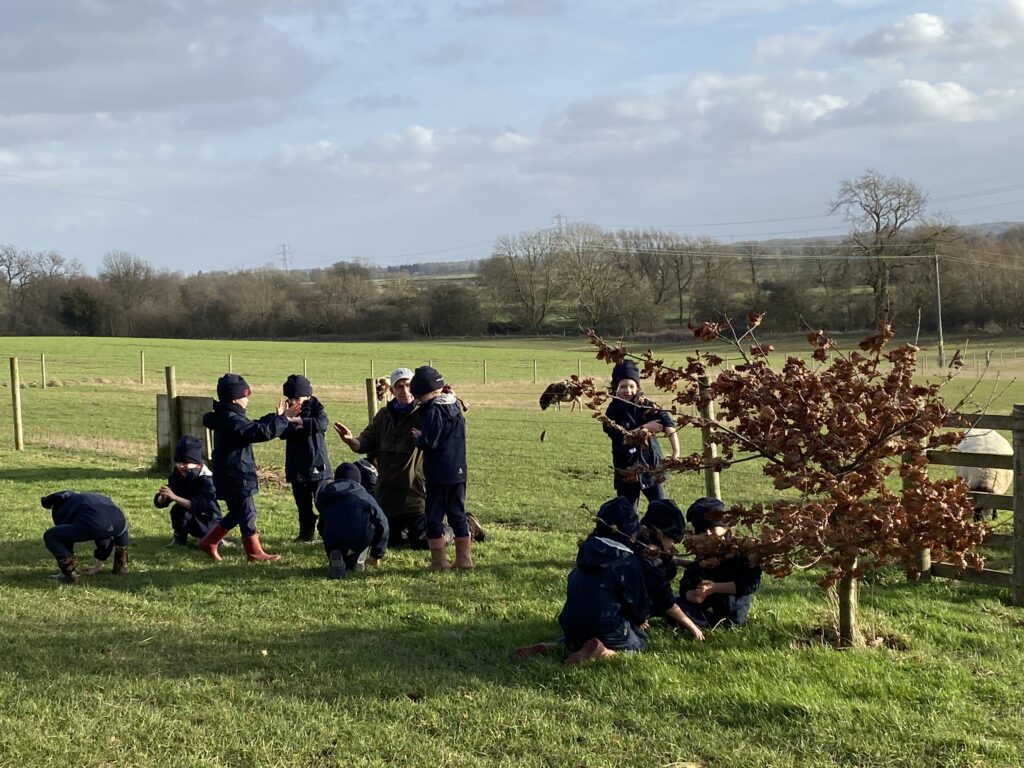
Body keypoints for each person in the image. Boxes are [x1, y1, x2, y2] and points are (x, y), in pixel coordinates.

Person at [197, 373, 300, 562]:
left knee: (239, 512)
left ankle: (209, 542)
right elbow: (258, 432)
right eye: (246, 396)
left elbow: (252, 426)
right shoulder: (232, 419)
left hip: (229, 473)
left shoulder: (227, 417)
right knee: (247, 512)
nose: (247, 400)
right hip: (237, 475)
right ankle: (254, 553)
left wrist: (275, 417)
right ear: (236, 398)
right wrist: (284, 419)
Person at [334, 368, 429, 549]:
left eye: (408, 385)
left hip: (416, 496)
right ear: (391, 391)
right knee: (387, 541)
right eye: (399, 386)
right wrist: (350, 440)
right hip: (388, 496)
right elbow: (364, 442)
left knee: (422, 542)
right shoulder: (383, 417)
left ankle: (464, 524)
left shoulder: (425, 413)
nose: (404, 390)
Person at [556, 497, 652, 664]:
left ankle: (558, 646)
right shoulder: (626, 560)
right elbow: (635, 600)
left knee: (576, 638)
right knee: (639, 642)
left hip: (570, 623)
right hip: (604, 625)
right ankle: (602, 651)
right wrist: (640, 618)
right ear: (629, 533)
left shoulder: (586, 551)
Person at [408, 365, 471, 570]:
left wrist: (418, 437)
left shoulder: (435, 409)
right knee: (458, 514)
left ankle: (439, 562)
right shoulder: (454, 405)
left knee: (433, 516)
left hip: (438, 473)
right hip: (459, 470)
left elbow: (430, 443)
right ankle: (464, 560)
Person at [603, 359, 679, 509]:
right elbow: (622, 437)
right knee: (627, 512)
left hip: (651, 466)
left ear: (637, 387)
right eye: (623, 386)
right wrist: (646, 427)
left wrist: (676, 452)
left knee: (660, 509)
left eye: (632, 386)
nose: (628, 390)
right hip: (626, 469)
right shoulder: (611, 412)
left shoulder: (647, 405)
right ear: (615, 388)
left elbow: (668, 424)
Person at [677, 497, 762, 629]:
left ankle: (699, 623)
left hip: (728, 613)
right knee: (672, 604)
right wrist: (691, 595)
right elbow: (687, 580)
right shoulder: (703, 551)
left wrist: (715, 588)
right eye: (703, 531)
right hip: (702, 606)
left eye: (712, 528)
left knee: (678, 612)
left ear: (726, 528)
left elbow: (751, 583)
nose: (709, 534)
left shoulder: (740, 551)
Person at [634, 499, 704, 642]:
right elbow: (665, 600)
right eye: (673, 541)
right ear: (661, 534)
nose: (673, 546)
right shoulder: (651, 561)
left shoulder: (639, 539)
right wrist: (692, 627)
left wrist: (680, 562)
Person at [279, 374, 331, 542]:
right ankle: (305, 534)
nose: (293, 401)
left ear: (308, 395)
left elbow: (322, 424)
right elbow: (283, 433)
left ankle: (327, 532)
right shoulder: (288, 412)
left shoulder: (317, 410)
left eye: (296, 397)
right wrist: (282, 419)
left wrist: (299, 422)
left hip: (316, 465)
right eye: (289, 398)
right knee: (302, 504)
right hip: (296, 466)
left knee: (322, 501)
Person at [315, 462, 389, 579]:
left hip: (333, 537)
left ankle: (336, 553)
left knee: (329, 525)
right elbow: (382, 522)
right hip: (359, 538)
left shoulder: (327, 495)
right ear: (358, 479)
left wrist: (328, 542)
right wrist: (377, 554)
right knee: (371, 524)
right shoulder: (363, 495)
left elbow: (321, 524)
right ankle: (358, 558)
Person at [41, 490, 130, 582]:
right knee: (107, 535)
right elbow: (104, 539)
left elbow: (64, 538)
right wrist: (97, 566)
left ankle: (69, 574)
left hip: (95, 522)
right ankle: (121, 569)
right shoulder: (90, 497)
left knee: (51, 536)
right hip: (119, 521)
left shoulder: (64, 504)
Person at [154, 434, 223, 548]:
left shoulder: (206, 479)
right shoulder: (178, 475)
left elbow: (199, 505)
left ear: (198, 464)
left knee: (184, 511)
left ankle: (213, 539)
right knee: (178, 510)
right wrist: (162, 498)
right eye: (178, 462)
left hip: (208, 519)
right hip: (191, 515)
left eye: (185, 463)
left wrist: (174, 497)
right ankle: (179, 539)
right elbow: (171, 493)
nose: (181, 466)